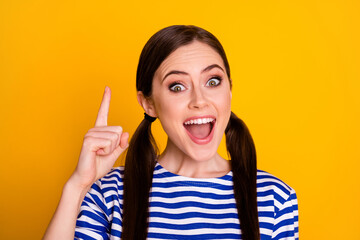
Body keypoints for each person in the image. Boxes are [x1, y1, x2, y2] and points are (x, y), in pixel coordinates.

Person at [43, 25, 299, 240]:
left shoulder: (275, 198)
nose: (199, 100)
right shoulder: (110, 193)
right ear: (149, 104)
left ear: (229, 91)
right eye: (177, 86)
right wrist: (78, 186)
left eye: (213, 81)